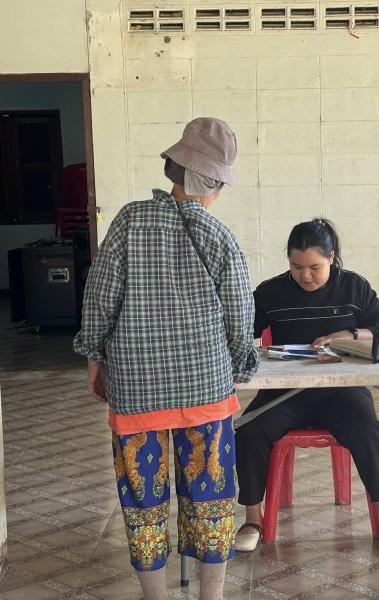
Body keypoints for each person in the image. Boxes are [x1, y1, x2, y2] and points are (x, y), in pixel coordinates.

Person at [73, 117, 259, 600]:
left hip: (137, 392)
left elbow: (100, 297)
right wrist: (240, 365)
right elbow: (240, 314)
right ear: (216, 184)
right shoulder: (220, 236)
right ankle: (211, 595)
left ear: (173, 169)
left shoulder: (129, 222)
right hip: (206, 392)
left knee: (143, 503)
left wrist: (95, 357)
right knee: (211, 499)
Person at [233, 218, 379, 556]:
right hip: (284, 395)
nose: (305, 275)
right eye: (296, 266)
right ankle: (253, 520)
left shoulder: (354, 288)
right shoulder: (271, 292)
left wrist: (350, 334)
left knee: (367, 429)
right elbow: (240, 332)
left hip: (342, 392)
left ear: (331, 258)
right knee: (249, 429)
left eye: (314, 267)